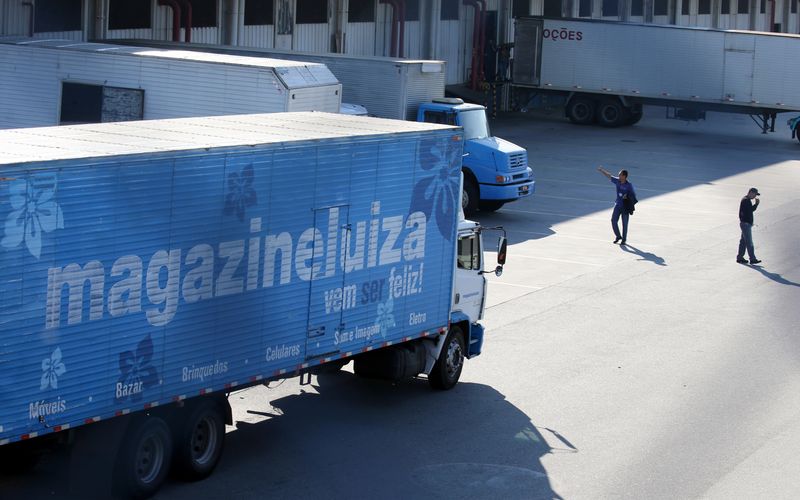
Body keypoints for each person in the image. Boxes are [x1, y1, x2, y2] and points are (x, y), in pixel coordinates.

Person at [597, 166, 636, 245]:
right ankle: (618, 236)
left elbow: (633, 195)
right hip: (617, 205)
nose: (618, 176)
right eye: (618, 175)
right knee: (613, 221)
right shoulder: (617, 181)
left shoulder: (629, 185)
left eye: (620, 175)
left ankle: (624, 239)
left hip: (625, 207)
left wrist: (627, 196)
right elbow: (609, 176)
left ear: (624, 176)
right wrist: (601, 170)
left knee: (624, 224)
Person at [737, 187, 761, 265]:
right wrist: (756, 204)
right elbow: (750, 210)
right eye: (754, 194)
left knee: (743, 242)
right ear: (750, 192)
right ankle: (752, 258)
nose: (755, 197)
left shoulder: (746, 200)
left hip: (745, 224)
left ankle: (740, 257)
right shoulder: (746, 200)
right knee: (749, 242)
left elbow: (749, 211)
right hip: (745, 224)